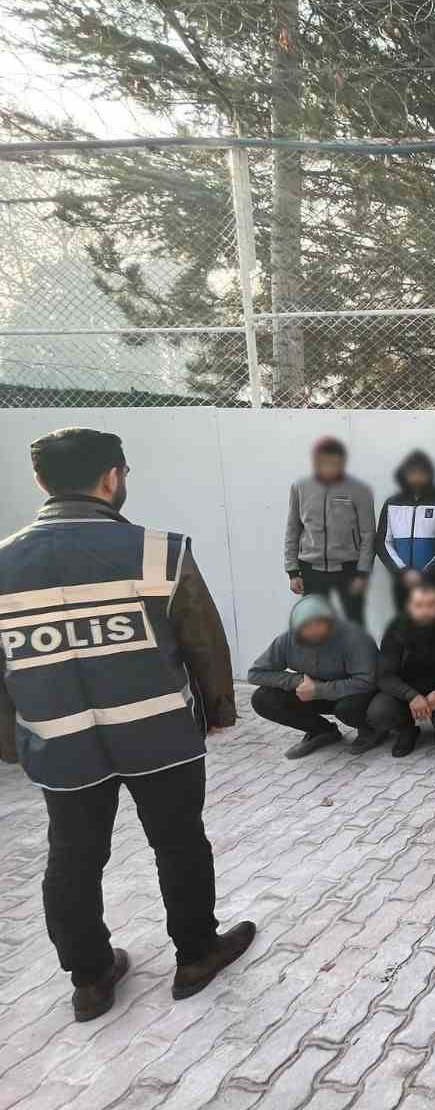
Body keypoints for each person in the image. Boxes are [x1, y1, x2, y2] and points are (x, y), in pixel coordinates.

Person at [0, 428, 253, 1021]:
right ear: (112, 477)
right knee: (179, 843)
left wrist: (11, 744)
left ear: (41, 481)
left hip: (60, 744)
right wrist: (219, 711)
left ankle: (90, 979)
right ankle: (196, 955)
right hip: (159, 736)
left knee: (73, 856)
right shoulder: (159, 552)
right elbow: (204, 642)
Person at [250, 594, 381, 755]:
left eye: (319, 623)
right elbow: (256, 673)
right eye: (305, 626)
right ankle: (321, 731)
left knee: (348, 709)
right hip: (315, 693)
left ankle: (372, 728)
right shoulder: (287, 640)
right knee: (263, 699)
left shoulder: (355, 638)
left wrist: (319, 690)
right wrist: (297, 681)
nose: (313, 631)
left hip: (353, 694)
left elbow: (368, 681)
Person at [284, 436, 376, 624]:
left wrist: (363, 573)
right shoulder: (300, 487)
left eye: (334, 463)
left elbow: (368, 534)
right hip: (311, 568)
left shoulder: (360, 490)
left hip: (349, 568)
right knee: (313, 624)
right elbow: (293, 529)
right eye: (323, 463)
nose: (329, 468)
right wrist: (293, 571)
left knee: (354, 623)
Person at [368, 582, 435, 756]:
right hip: (404, 692)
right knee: (379, 712)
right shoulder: (395, 629)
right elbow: (384, 675)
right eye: (418, 605)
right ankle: (407, 729)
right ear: (409, 607)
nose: (425, 611)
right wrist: (411, 695)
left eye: (431, 605)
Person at [376, 449, 435, 613]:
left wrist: (426, 573)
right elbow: (382, 543)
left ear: (430, 475)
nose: (417, 478)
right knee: (403, 622)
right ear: (404, 475)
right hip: (402, 581)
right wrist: (402, 572)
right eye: (412, 474)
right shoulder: (392, 503)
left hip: (433, 580)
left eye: (422, 473)